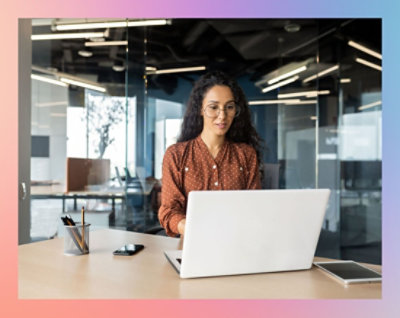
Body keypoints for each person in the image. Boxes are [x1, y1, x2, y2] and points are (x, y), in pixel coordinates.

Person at [158, 71, 263, 237]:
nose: (222, 116)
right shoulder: (176, 155)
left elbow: (255, 208)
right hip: (192, 247)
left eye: (229, 107)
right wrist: (189, 227)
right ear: (200, 109)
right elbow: (169, 210)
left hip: (237, 245)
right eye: (213, 107)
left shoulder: (246, 155)